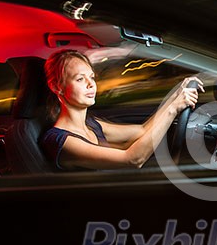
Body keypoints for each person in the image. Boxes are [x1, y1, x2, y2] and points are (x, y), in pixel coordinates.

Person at [39, 48, 204, 171]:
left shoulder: (90, 124)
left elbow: (141, 131)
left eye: (92, 77)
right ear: (57, 87)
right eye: (80, 79)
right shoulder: (59, 141)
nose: (91, 84)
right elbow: (133, 160)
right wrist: (173, 109)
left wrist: (175, 96)